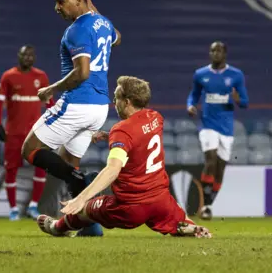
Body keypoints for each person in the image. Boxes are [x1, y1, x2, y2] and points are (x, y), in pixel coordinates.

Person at [37, 76, 212, 238]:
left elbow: (113, 169)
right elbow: (139, 140)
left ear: (127, 102)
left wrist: (80, 198)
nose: (114, 101)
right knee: (178, 221)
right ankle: (191, 229)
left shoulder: (122, 130)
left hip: (131, 206)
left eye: (117, 97)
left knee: (86, 209)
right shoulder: (155, 118)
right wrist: (109, 136)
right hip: (161, 200)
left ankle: (57, 227)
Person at [20, 0, 120, 236]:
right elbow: (117, 38)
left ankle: (81, 182)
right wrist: (94, 11)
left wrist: (51, 89)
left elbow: (82, 72)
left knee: (30, 149)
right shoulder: (103, 24)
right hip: (100, 108)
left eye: (61, 2)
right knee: (68, 160)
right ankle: (86, 225)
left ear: (78, 0)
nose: (57, 8)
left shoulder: (75, 30)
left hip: (78, 103)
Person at [187, 41, 249, 220]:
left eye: (219, 50)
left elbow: (245, 102)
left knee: (220, 169)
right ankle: (205, 205)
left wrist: (238, 99)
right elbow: (194, 95)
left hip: (226, 128)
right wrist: (191, 105)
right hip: (207, 125)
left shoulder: (236, 75)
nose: (215, 53)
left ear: (225, 54)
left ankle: (208, 204)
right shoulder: (201, 74)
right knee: (211, 159)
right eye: (212, 50)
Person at [0, 45, 54, 220]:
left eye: (31, 55)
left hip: (35, 134)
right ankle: (13, 209)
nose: (28, 57)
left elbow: (50, 103)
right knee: (11, 170)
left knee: (41, 168)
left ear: (34, 58)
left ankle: (33, 206)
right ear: (18, 56)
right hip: (13, 133)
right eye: (24, 55)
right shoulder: (8, 76)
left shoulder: (41, 77)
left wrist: (53, 125)